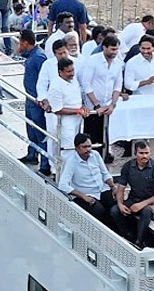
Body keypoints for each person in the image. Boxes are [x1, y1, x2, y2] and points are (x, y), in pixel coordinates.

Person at [111, 140, 154, 248]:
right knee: (115, 211)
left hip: (153, 201)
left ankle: (139, 241)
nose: (144, 156)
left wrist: (142, 204)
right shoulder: (128, 166)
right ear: (135, 153)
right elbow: (121, 188)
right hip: (134, 198)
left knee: (146, 212)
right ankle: (127, 235)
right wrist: (120, 204)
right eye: (141, 153)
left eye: (147, 153)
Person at [58, 134, 116, 222]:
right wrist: (83, 196)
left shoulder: (95, 155)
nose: (88, 149)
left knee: (115, 208)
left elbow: (105, 174)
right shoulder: (71, 162)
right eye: (84, 147)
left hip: (101, 190)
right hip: (86, 194)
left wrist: (113, 187)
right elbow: (63, 185)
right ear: (77, 148)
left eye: (89, 146)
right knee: (100, 212)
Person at [18, 30, 51, 173]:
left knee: (40, 132)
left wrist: (42, 98)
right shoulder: (32, 54)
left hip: (36, 101)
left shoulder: (39, 57)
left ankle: (45, 163)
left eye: (21, 43)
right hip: (30, 98)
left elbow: (45, 80)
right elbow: (19, 53)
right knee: (31, 130)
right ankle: (32, 153)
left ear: (25, 42)